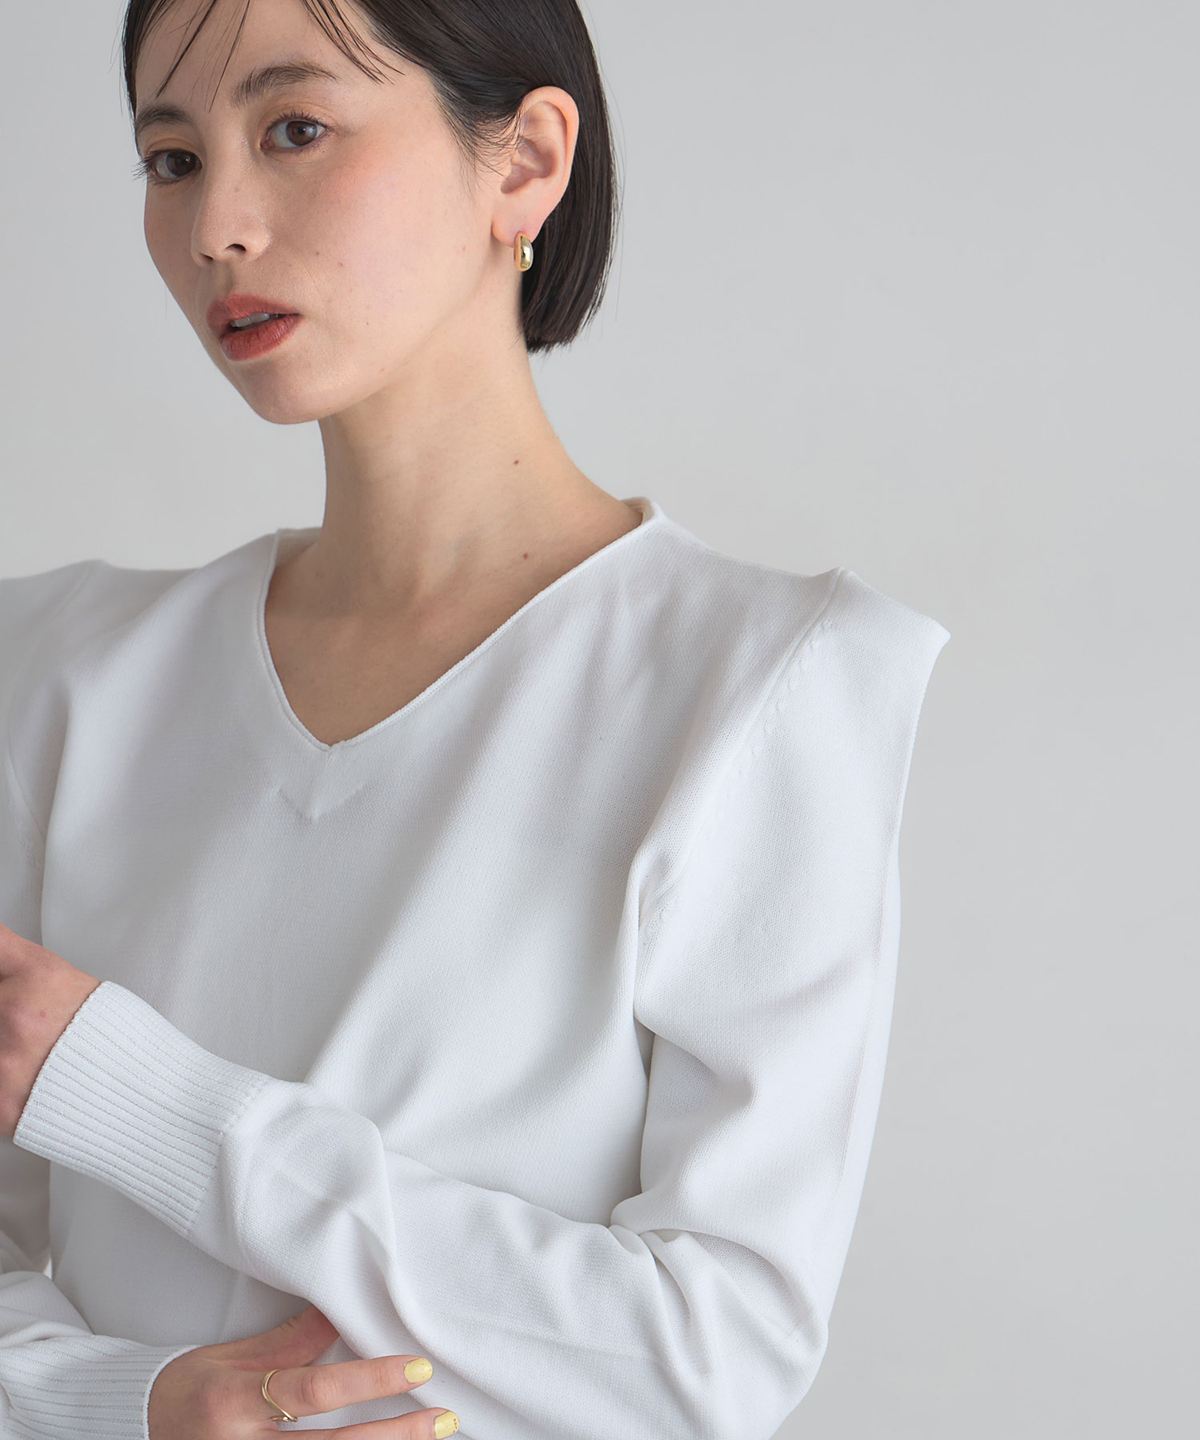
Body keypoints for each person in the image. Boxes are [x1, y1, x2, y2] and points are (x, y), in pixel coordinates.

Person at [0, 2, 952, 1437]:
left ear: (525, 160)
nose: (217, 229)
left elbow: (713, 1358)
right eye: (173, 159)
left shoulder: (760, 682)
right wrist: (119, 1404)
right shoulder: (59, 670)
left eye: (296, 129)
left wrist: (142, 1100)